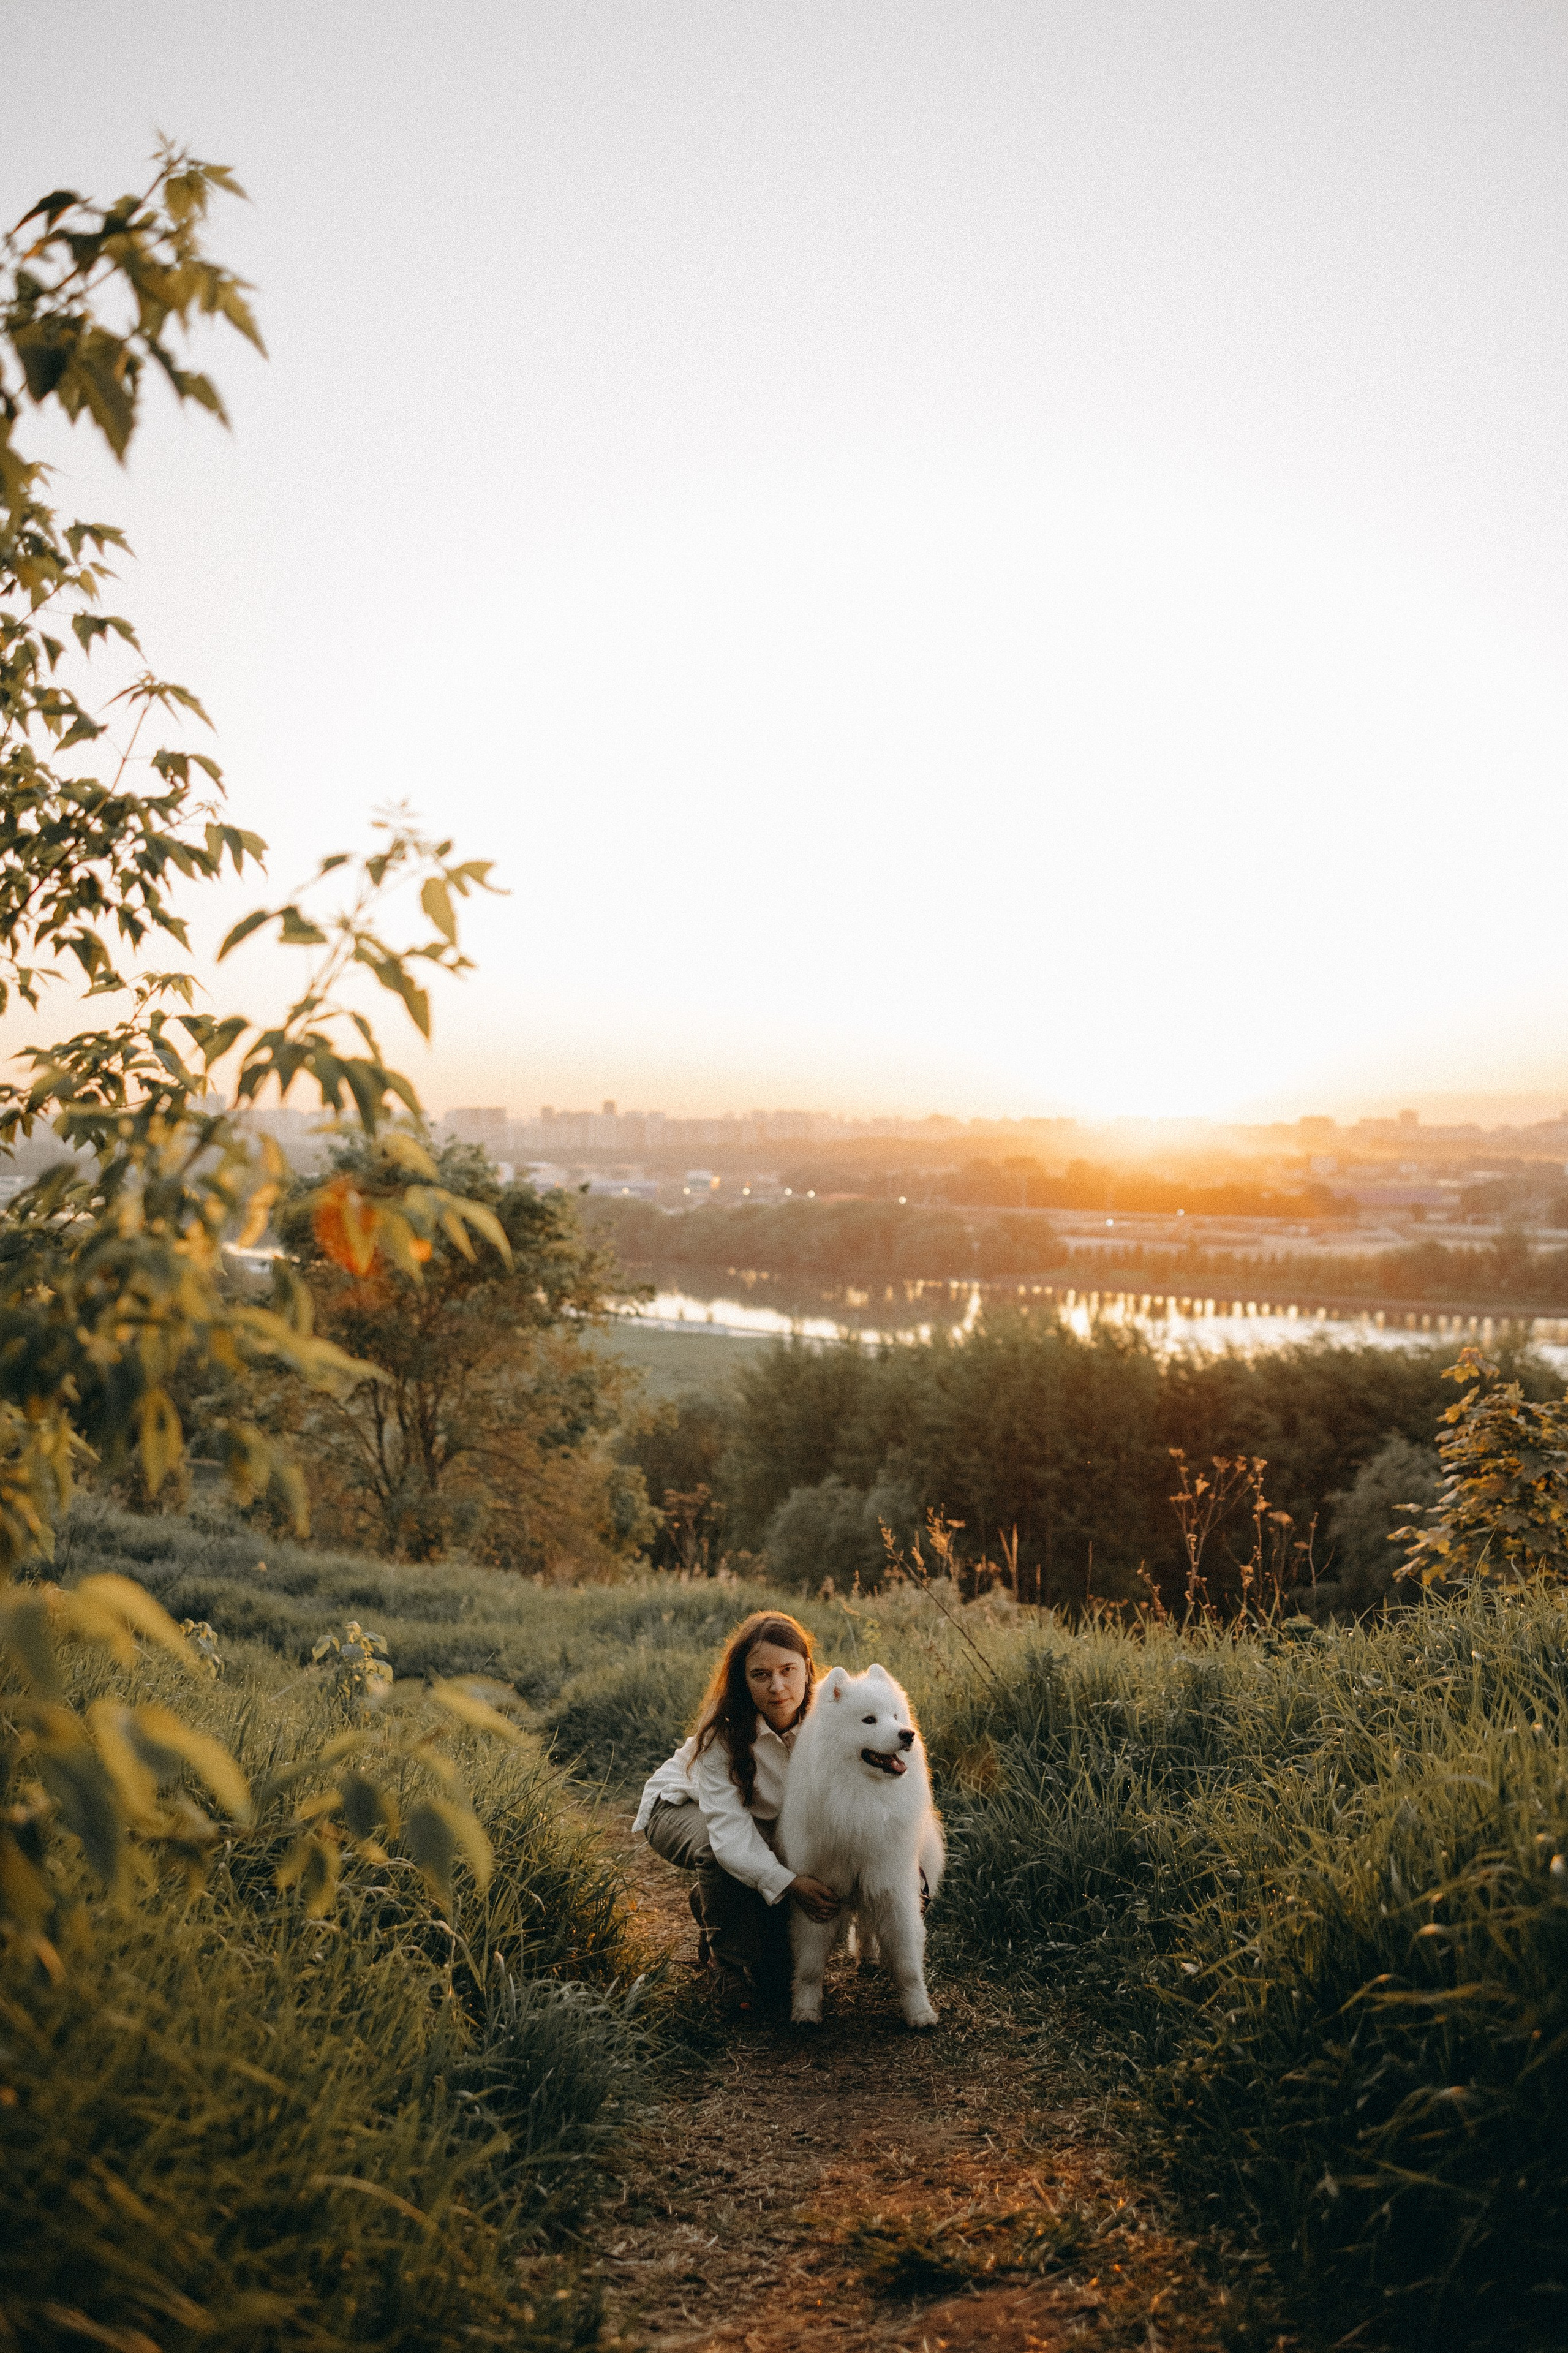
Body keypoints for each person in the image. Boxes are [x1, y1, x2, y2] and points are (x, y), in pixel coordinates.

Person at [634, 1610, 842, 2012]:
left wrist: (912, 1872)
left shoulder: (835, 1717)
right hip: (680, 1804)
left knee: (779, 1978)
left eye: (788, 1669)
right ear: (743, 1681)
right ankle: (727, 1966)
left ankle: (711, 1904)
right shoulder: (722, 1735)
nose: (777, 1686)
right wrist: (792, 1883)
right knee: (717, 1850)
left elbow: (876, 1796)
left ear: (808, 1668)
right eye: (760, 1674)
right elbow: (729, 1835)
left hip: (755, 1822)